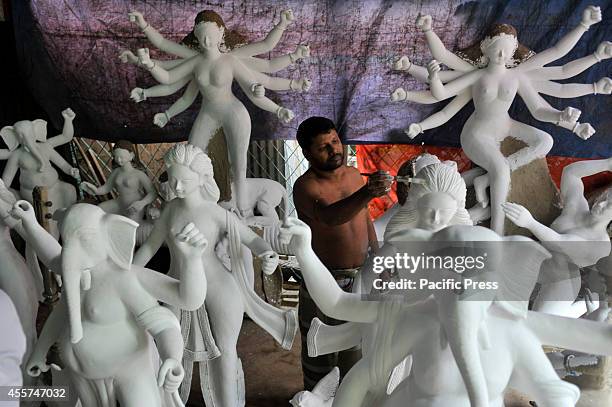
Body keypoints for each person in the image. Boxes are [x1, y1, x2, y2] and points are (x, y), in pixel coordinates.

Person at [292, 116, 393, 389]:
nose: (333, 149)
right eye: (322, 146)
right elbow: (329, 217)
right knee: (320, 349)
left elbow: (364, 218)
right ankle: (316, 400)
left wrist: (377, 255)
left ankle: (348, 397)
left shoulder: (352, 174)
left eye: (335, 141)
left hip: (361, 274)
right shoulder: (305, 186)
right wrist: (367, 193)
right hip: (323, 280)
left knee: (355, 345)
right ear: (307, 153)